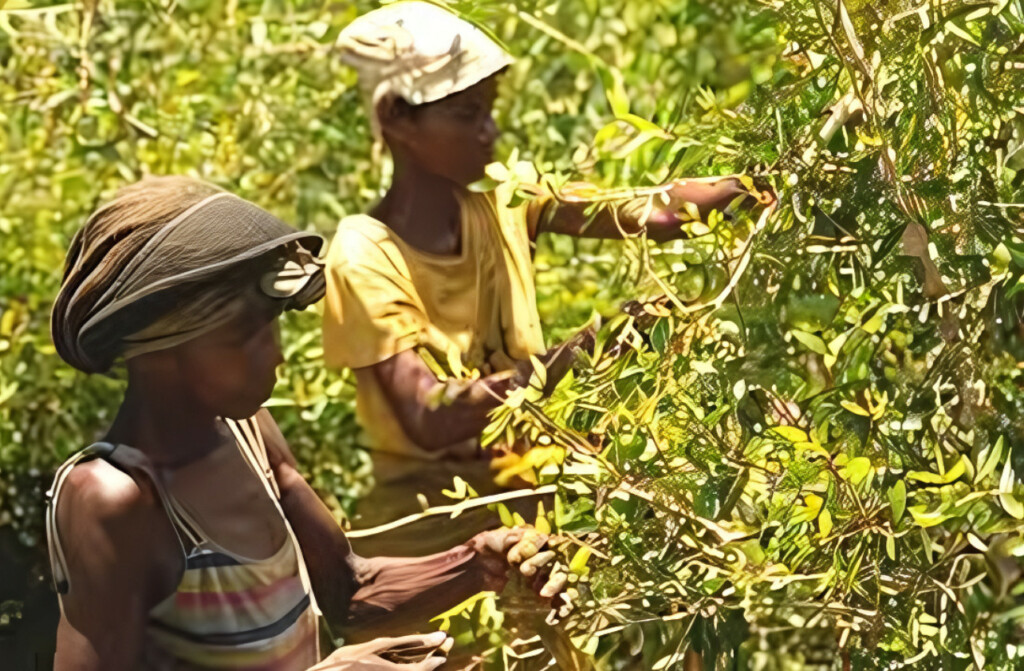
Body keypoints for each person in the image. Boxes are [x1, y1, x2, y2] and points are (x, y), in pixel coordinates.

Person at [45, 176, 555, 670]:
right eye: (244, 335)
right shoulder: (112, 499)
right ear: (161, 351)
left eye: (272, 327)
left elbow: (349, 591)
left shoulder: (249, 433)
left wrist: (475, 561)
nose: (276, 355)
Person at [323, 1, 774, 554]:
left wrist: (758, 183)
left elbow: (648, 211)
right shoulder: (363, 252)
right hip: (431, 542)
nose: (489, 132)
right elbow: (428, 417)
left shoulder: (506, 198)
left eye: (490, 110)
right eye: (466, 115)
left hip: (535, 519)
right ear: (397, 117)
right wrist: (584, 350)